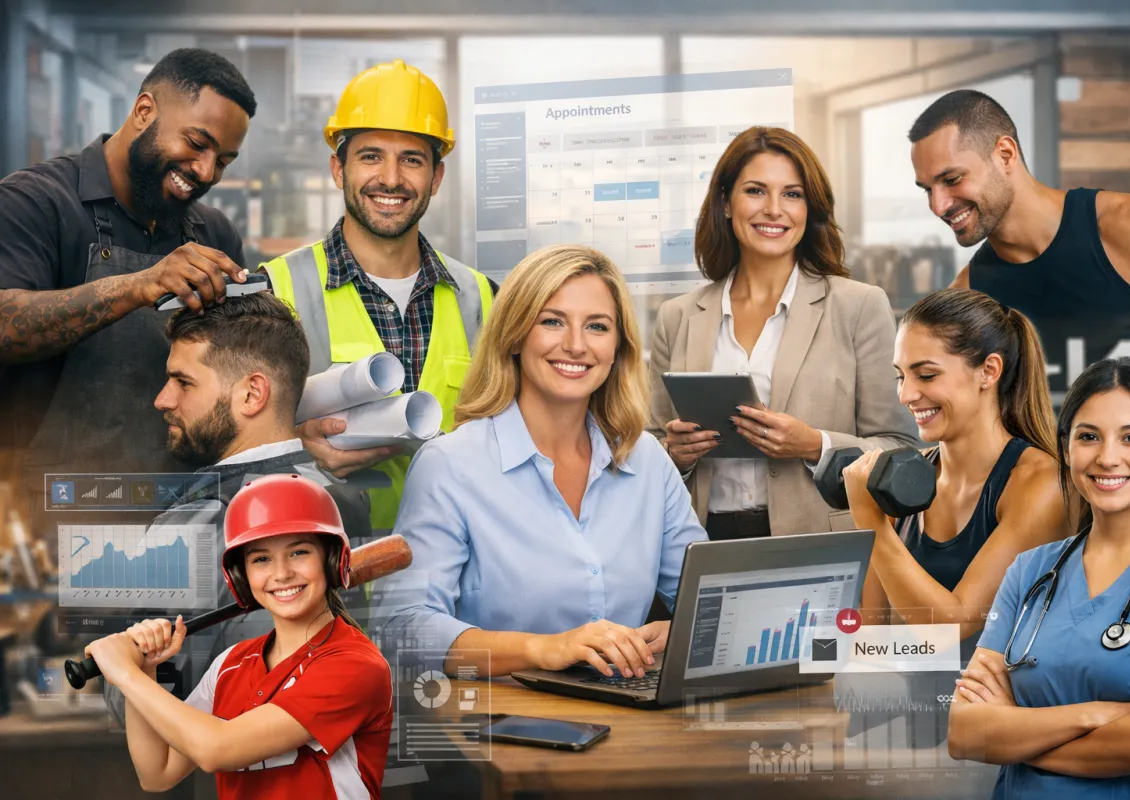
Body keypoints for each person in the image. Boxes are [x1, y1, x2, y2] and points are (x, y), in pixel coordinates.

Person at [379, 244, 708, 678]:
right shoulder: (450, 465)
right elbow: (404, 629)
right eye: (552, 321)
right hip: (499, 727)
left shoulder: (646, 460)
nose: (575, 345)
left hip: (629, 720)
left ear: (617, 348)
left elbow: (710, 595)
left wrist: (681, 629)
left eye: (597, 326)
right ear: (515, 335)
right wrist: (543, 649)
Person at [909, 88, 1130, 522]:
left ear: (1005, 153)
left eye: (951, 179)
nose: (939, 204)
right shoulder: (971, 296)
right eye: (927, 189)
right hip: (1071, 546)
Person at [0, 48, 256, 518]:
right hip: (46, 520)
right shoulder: (36, 203)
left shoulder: (213, 234)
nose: (205, 172)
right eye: (197, 143)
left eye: (223, 160)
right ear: (144, 112)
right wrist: (136, 286)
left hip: (181, 514)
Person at [103, 292, 372, 726]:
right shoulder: (344, 498)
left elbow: (137, 705)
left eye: (184, 382)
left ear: (252, 394)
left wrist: (116, 668)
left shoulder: (197, 521)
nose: (163, 399)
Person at [260, 59, 497, 536]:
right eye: (370, 156)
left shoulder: (485, 298)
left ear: (436, 177)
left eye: (411, 158)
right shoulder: (271, 290)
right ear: (337, 169)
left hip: (459, 581)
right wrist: (295, 443)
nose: (390, 178)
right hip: (328, 588)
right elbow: (234, 444)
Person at [648, 125, 918, 540]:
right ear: (724, 202)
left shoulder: (859, 306)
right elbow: (651, 447)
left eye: (792, 194)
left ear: (809, 208)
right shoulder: (677, 316)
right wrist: (675, 455)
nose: (774, 209)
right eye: (755, 190)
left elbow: (902, 446)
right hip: (701, 538)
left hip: (817, 539)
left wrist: (815, 445)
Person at [950, 358, 1130, 797]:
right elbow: (966, 732)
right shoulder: (1030, 570)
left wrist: (1017, 741)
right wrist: (1094, 715)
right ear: (1066, 449)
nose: (1107, 457)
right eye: (1088, 437)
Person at [84, 473, 393, 799]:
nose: (281, 573)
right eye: (261, 559)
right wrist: (143, 666)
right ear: (240, 577)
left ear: (332, 560)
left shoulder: (355, 666)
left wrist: (127, 675)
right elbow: (157, 772)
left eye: (299, 552)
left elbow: (216, 748)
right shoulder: (230, 664)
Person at [842, 288, 1070, 650]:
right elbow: (873, 636)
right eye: (901, 376)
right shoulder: (903, 480)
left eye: (927, 376)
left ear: (989, 371)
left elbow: (952, 625)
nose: (906, 395)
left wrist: (872, 525)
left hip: (1006, 701)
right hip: (916, 697)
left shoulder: (1041, 484)